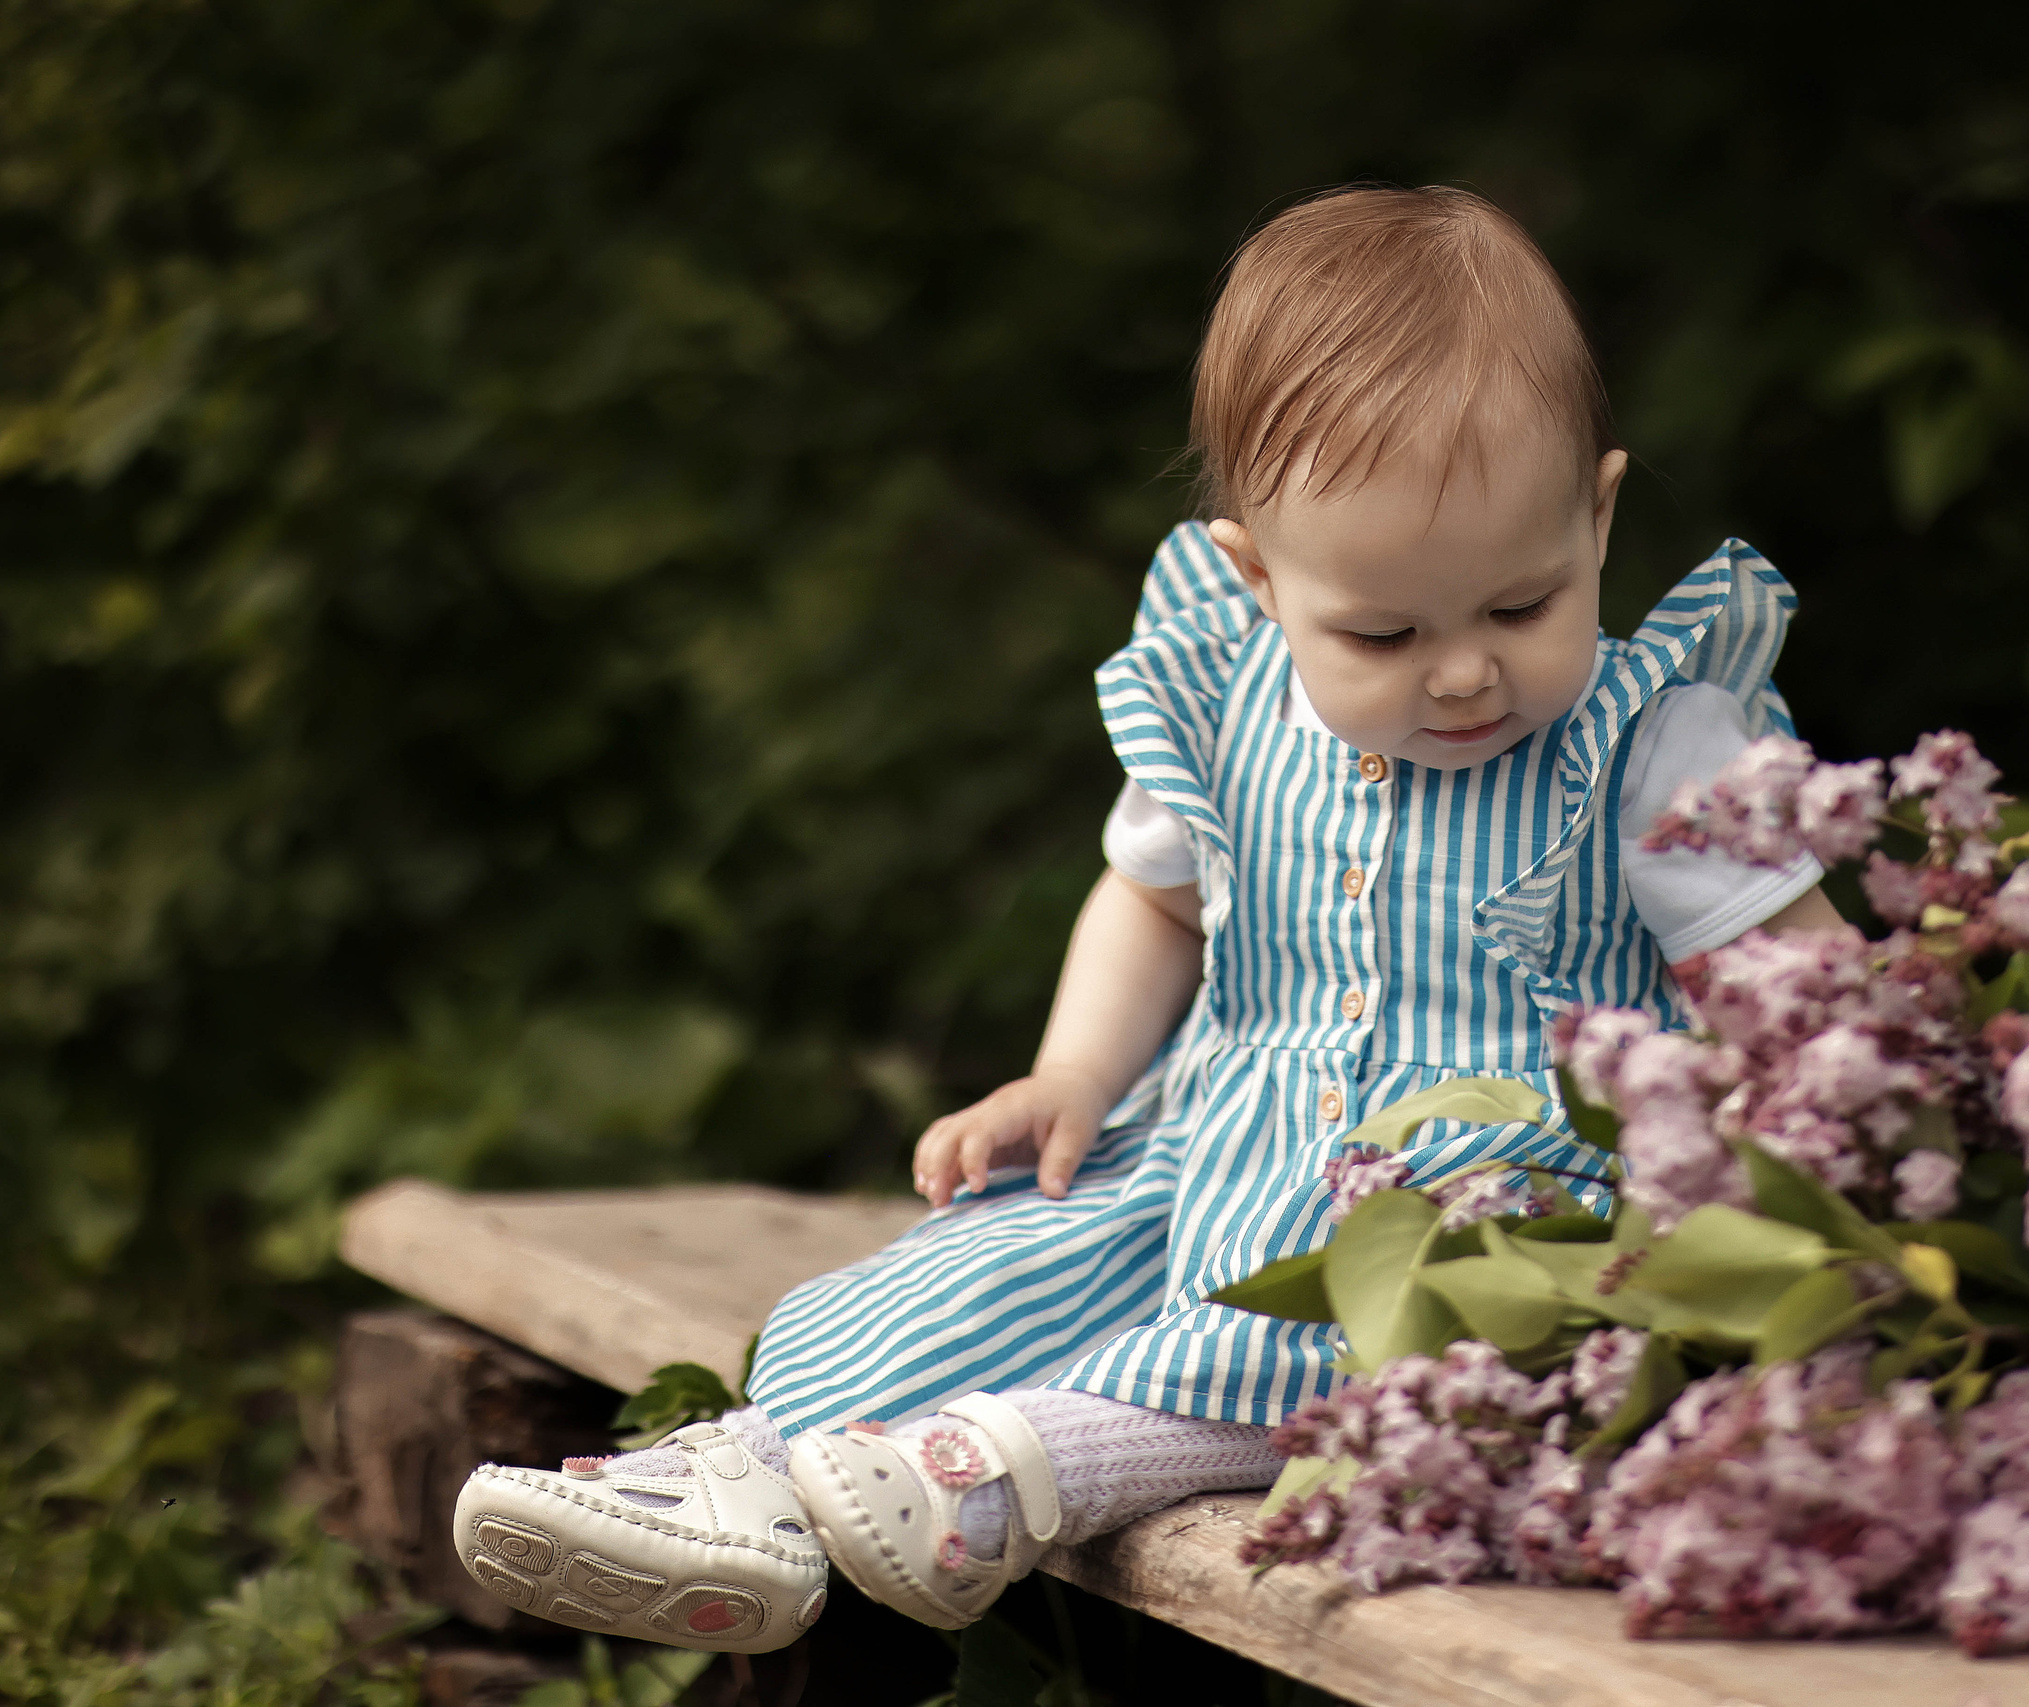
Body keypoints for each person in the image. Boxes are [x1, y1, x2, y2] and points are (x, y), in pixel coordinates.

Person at [451, 184, 1846, 1651]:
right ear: (1259, 576)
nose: (1459, 674)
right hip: (1220, 1152)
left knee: (1365, 1320)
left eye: (1521, 607)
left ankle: (1017, 1473)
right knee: (999, 1263)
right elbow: (1155, 906)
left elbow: (1802, 991)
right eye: (1382, 631)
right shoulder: (1231, 703)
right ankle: (743, 1481)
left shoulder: (1651, 742)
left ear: (1599, 517)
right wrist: (1072, 1074)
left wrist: (1831, 1157)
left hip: (1493, 1198)